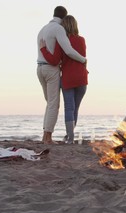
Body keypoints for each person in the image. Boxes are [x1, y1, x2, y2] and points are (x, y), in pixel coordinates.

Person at [37, 6, 87, 144]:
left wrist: (43, 49)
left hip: (40, 68)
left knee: (50, 104)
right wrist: (83, 59)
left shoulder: (43, 29)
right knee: (55, 105)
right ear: (64, 18)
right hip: (52, 69)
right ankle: (48, 138)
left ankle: (45, 136)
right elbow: (68, 51)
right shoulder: (60, 30)